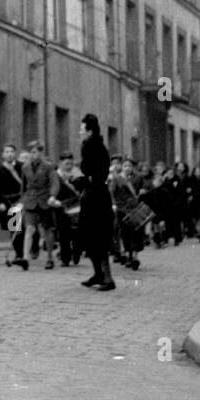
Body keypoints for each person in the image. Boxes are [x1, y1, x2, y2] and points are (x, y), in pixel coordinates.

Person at [77, 114, 116, 291]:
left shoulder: (91, 147)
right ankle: (98, 274)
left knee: (97, 237)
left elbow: (92, 173)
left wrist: (80, 179)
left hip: (95, 197)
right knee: (92, 236)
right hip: (96, 195)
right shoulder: (98, 146)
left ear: (90, 131)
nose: (80, 132)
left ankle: (108, 279)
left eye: (82, 129)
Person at [11, 139, 57, 271]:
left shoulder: (48, 166)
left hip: (44, 201)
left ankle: (49, 258)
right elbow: (23, 186)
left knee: (47, 230)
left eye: (35, 152)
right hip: (30, 201)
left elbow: (54, 184)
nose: (32, 155)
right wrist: (21, 200)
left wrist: (52, 196)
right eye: (30, 152)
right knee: (29, 229)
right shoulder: (25, 167)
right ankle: (25, 259)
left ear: (41, 152)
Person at [51, 151, 84, 267]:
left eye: (71, 163)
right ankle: (65, 258)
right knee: (63, 232)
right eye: (66, 164)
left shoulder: (77, 174)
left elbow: (83, 189)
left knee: (77, 232)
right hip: (61, 206)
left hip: (76, 206)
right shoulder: (56, 175)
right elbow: (52, 189)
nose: (69, 166)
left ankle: (77, 252)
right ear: (60, 163)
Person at [0, 144, 22, 256]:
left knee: (26, 227)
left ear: (15, 153)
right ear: (3, 155)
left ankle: (28, 249)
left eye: (12, 151)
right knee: (14, 228)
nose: (9, 154)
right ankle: (19, 253)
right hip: (8, 202)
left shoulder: (21, 167)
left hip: (21, 200)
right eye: (7, 152)